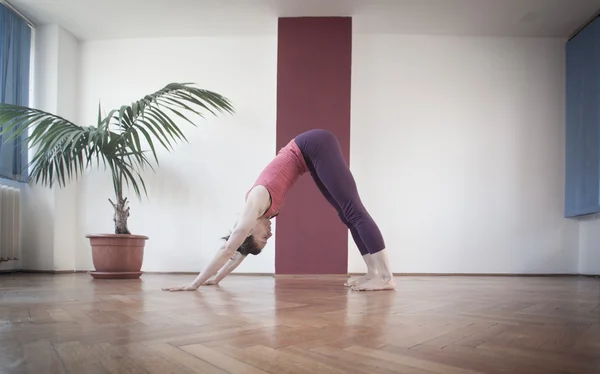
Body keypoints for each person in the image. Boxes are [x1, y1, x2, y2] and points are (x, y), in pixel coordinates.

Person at [162, 129, 395, 292]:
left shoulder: (254, 203)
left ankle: (386, 277)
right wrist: (216, 279)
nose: (270, 235)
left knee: (353, 210)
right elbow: (237, 255)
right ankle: (373, 272)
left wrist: (195, 283)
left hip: (313, 144)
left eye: (264, 237)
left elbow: (228, 248)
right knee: (346, 215)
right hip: (309, 157)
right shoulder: (258, 218)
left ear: (248, 230)